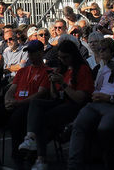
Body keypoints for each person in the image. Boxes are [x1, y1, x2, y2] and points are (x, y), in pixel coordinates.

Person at [67, 36, 114, 170]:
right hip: (97, 103)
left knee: (105, 128)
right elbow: (98, 85)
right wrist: (97, 95)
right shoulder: (108, 67)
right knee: (79, 124)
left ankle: (109, 162)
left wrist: (109, 98)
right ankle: (74, 165)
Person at [19, 39, 94, 170]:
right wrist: (53, 83)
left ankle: (40, 157)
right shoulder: (63, 69)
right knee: (36, 104)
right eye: (60, 57)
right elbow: (54, 95)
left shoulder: (82, 69)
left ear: (73, 55)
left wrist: (63, 84)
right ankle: (30, 138)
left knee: (42, 119)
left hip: (75, 106)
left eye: (65, 57)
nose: (63, 60)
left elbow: (80, 98)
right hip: (61, 102)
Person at [0, 39, 50, 170]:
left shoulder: (46, 71)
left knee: (16, 120)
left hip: (29, 106)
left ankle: (19, 158)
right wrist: (8, 101)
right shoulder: (22, 71)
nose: (31, 56)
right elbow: (11, 89)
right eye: (29, 53)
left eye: (34, 53)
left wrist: (18, 103)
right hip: (14, 104)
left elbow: (40, 94)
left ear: (41, 53)